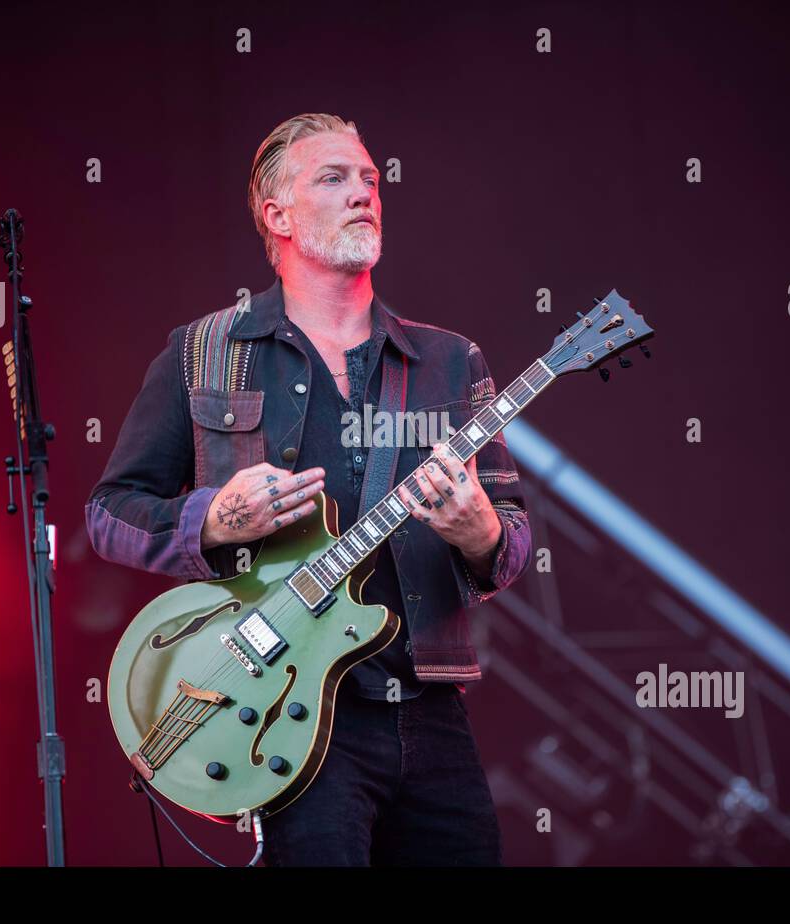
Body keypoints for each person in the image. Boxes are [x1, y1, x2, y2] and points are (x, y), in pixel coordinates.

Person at [85, 113, 531, 865]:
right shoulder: (204, 353)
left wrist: (481, 533)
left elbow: (512, 542)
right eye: (334, 177)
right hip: (286, 719)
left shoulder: (449, 362)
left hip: (427, 708)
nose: (364, 192)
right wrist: (215, 519)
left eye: (371, 179)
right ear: (277, 214)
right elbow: (108, 515)